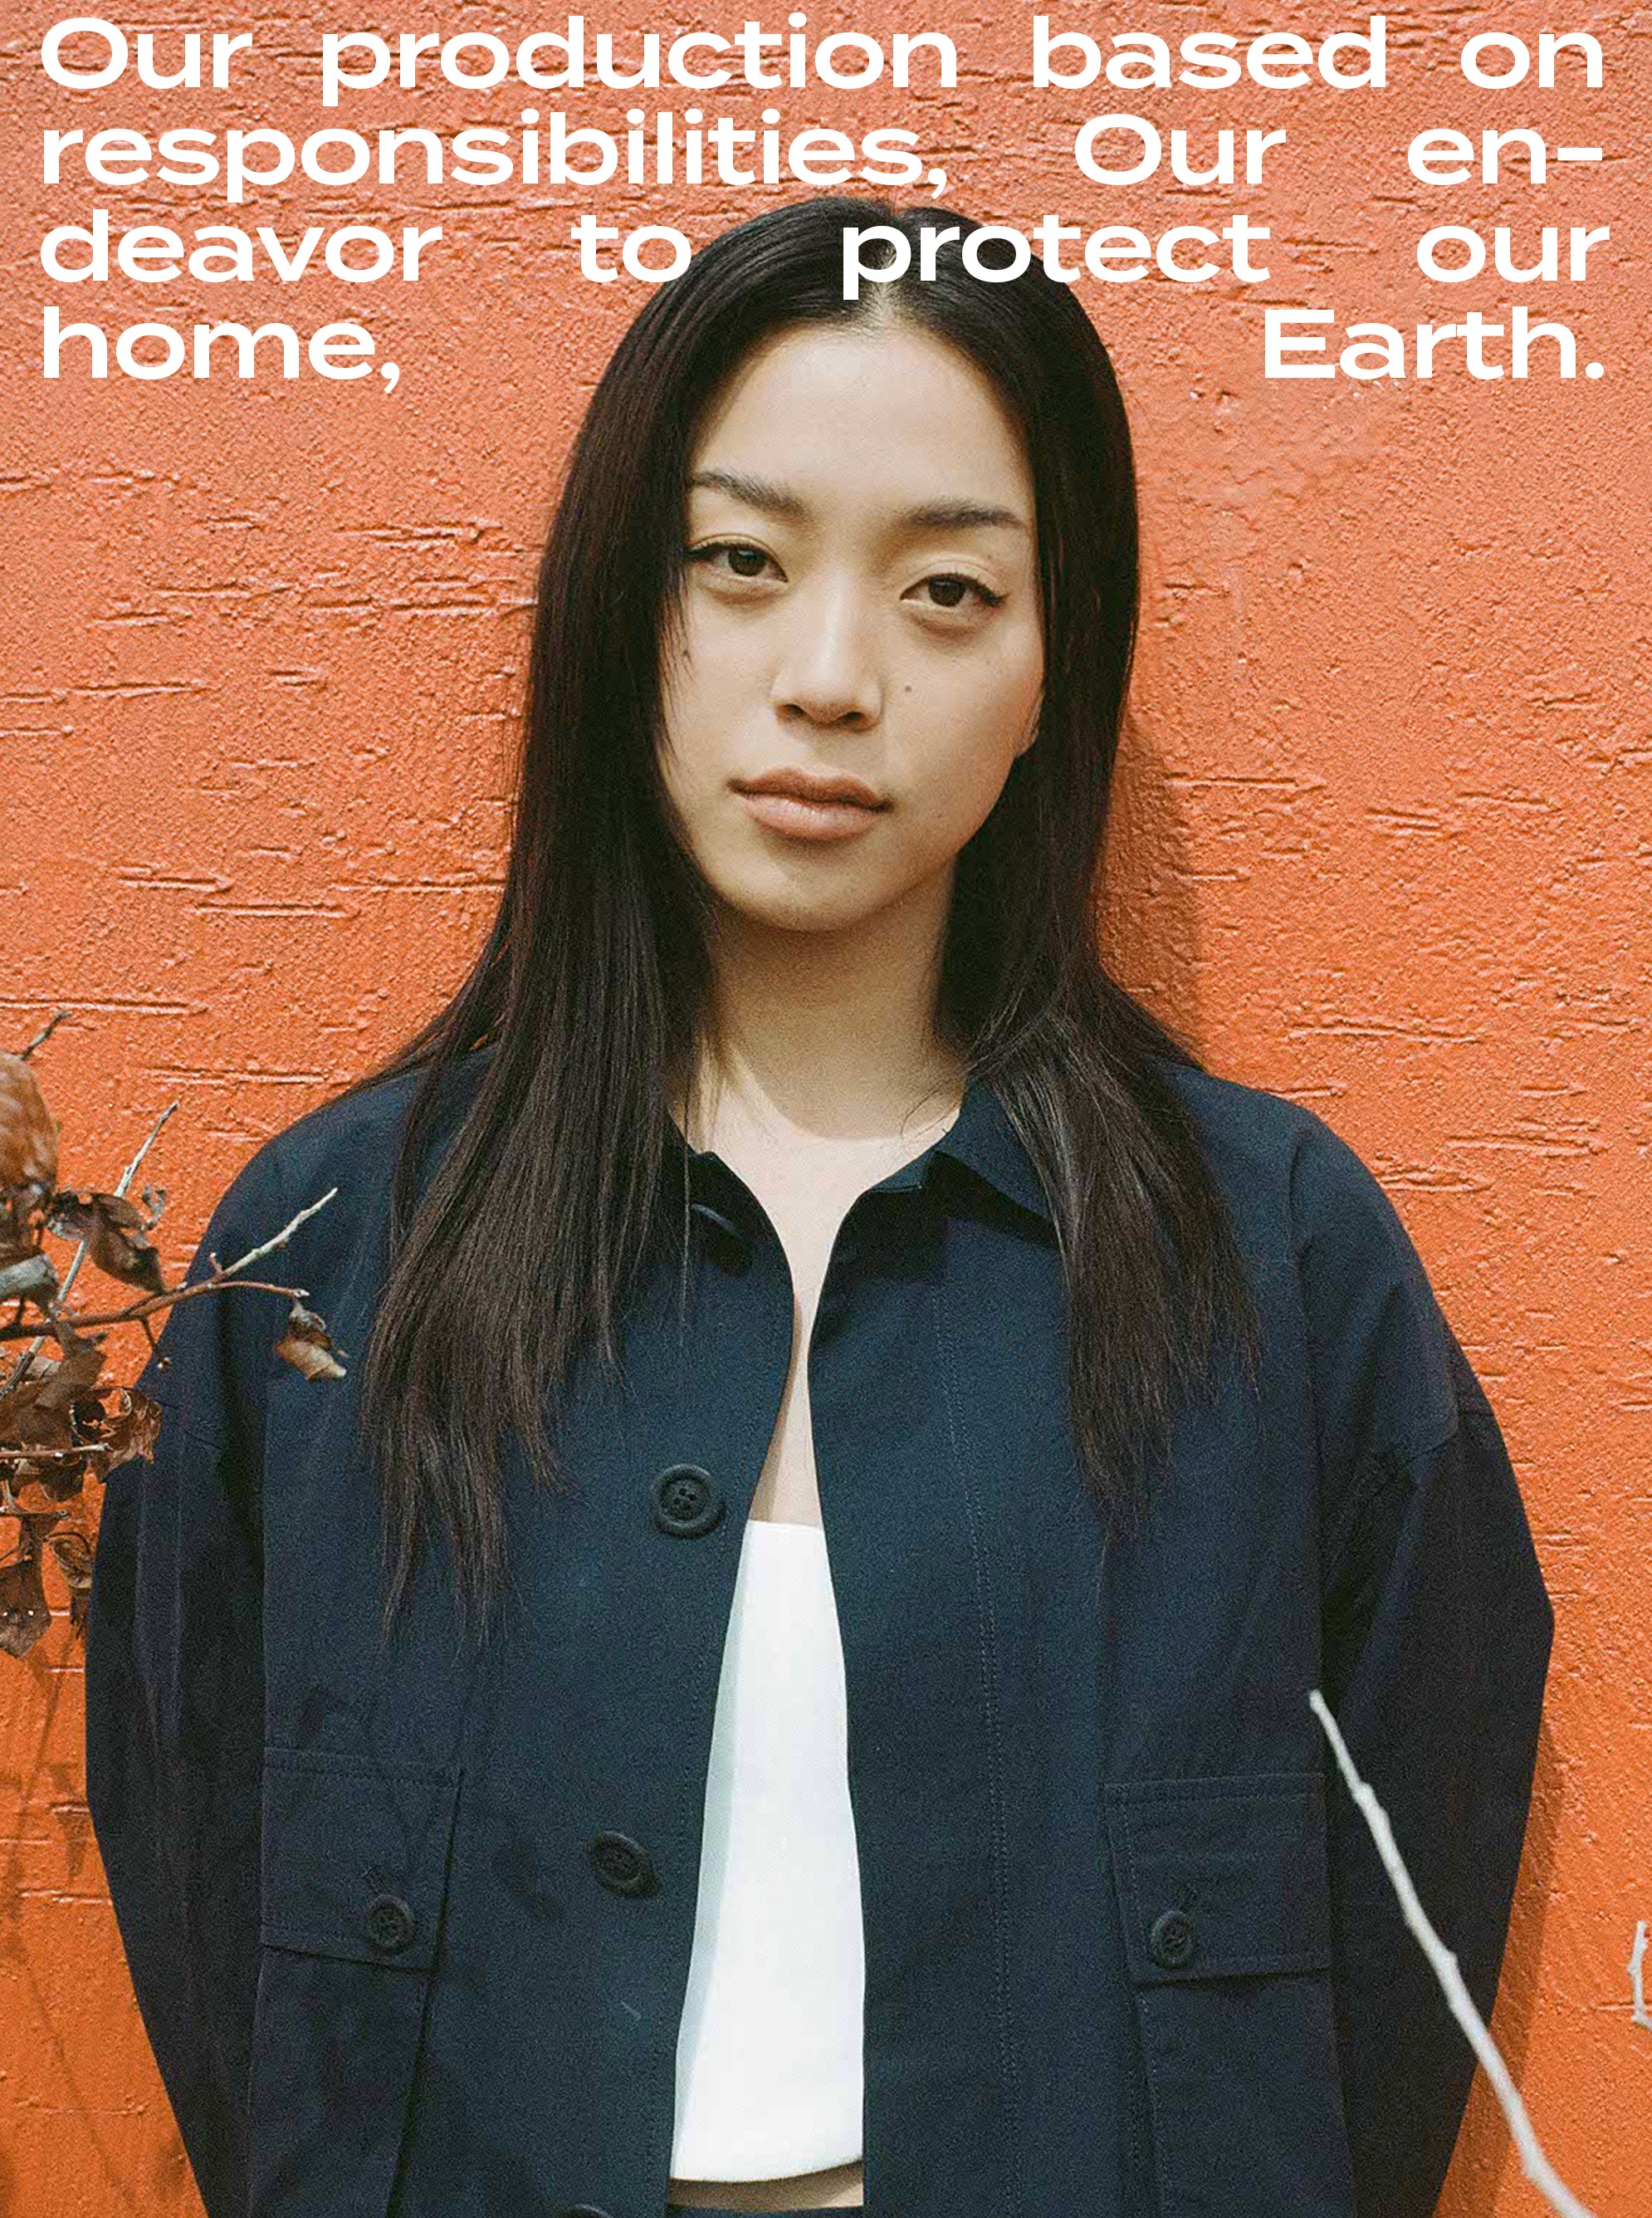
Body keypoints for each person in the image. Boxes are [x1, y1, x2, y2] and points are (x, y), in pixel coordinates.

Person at [84, 193, 1554, 2218]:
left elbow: (1403, 1917)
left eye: (947, 590)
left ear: (1052, 663)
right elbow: (206, 1881)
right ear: (619, 605)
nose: (832, 676)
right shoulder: (330, 1257)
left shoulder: (1273, 1263)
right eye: (740, 562)